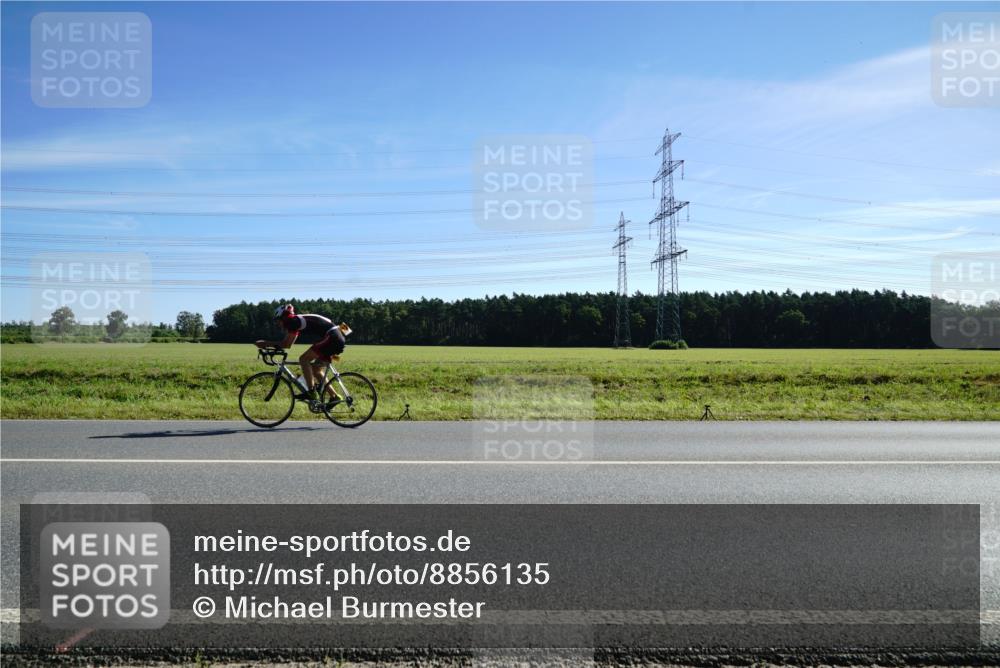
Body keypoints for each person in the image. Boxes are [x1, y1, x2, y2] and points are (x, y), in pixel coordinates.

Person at [255, 304, 346, 404]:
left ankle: (311, 392)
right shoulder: (297, 321)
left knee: (303, 359)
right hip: (337, 336)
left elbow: (287, 344)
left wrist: (265, 343)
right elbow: (288, 343)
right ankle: (335, 397)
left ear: (284, 317)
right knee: (316, 370)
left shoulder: (292, 321)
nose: (278, 324)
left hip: (333, 337)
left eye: (278, 320)